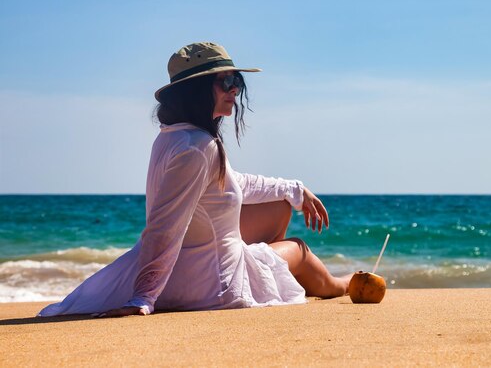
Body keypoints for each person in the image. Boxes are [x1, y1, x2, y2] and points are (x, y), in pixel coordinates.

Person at [38, 42, 351, 318]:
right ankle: (343, 284)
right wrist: (143, 298)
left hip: (184, 274)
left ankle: (297, 282)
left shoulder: (174, 137)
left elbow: (233, 183)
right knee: (298, 248)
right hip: (214, 285)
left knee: (281, 204)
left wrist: (293, 189)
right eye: (227, 81)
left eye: (237, 82)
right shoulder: (198, 147)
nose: (235, 90)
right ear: (198, 89)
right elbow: (163, 226)